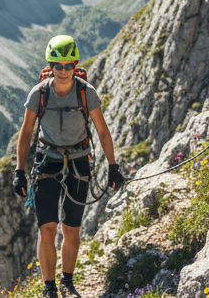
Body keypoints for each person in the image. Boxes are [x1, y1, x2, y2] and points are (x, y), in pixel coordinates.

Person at [13, 35, 126, 298]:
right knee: (47, 227)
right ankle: (49, 287)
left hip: (79, 161)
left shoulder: (86, 92)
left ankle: (67, 281)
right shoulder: (39, 93)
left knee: (71, 228)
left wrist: (113, 166)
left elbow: (102, 131)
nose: (63, 71)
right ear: (50, 66)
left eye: (68, 65)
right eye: (58, 65)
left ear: (75, 65)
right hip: (47, 161)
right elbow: (26, 131)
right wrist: (20, 171)